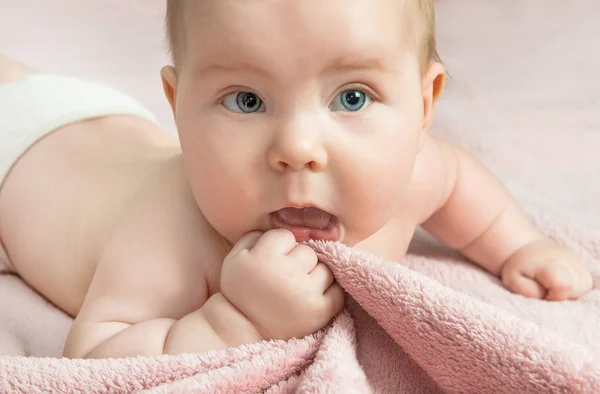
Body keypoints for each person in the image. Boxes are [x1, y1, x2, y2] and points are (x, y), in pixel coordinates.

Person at [0, 0, 592, 359]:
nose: (298, 149)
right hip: (22, 157)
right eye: (248, 99)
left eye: (352, 97)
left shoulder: (413, 173)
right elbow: (96, 353)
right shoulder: (167, 229)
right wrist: (236, 321)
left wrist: (519, 244)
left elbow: (462, 188)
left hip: (104, 124)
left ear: (423, 104)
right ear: (179, 108)